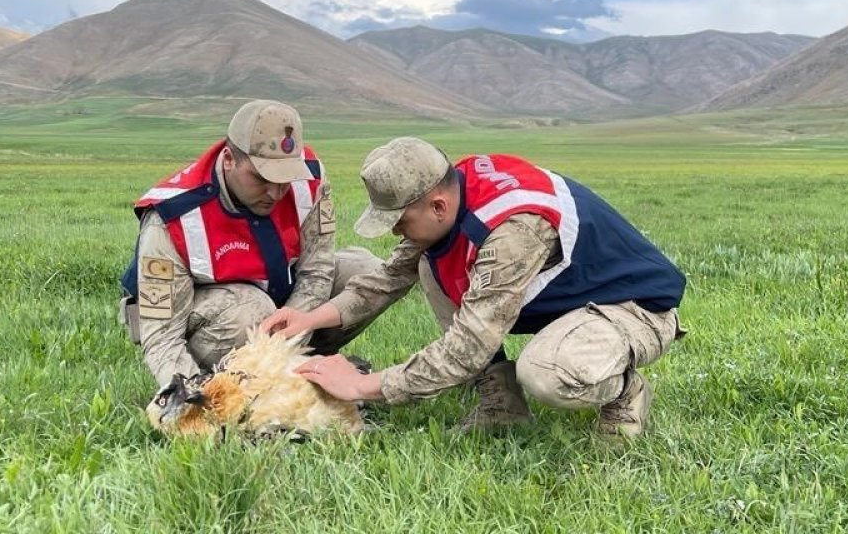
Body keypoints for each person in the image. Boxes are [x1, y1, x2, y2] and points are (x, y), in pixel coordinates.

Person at [261, 137, 686, 437]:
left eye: (399, 222)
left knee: (546, 374)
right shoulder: (450, 188)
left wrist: (363, 387)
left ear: (437, 206)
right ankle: (502, 406)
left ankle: (625, 390)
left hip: (632, 310)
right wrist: (308, 318)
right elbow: (389, 277)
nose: (395, 234)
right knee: (430, 265)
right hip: (572, 304)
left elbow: (468, 347)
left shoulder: (511, 234)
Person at [119, 100, 381, 387]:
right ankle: (233, 380)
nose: (276, 192)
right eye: (261, 178)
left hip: (278, 299)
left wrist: (288, 343)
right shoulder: (172, 217)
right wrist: (188, 396)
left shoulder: (310, 178)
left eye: (285, 178)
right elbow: (162, 336)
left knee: (367, 272)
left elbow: (317, 270)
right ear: (229, 159)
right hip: (211, 316)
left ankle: (297, 368)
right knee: (253, 308)